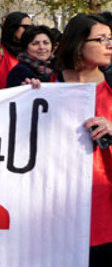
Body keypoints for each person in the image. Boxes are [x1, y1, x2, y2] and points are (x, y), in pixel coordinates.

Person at [54, 14, 112, 267]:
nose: (109, 45)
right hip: (58, 205)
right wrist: (30, 98)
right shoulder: (48, 84)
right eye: (101, 40)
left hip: (106, 203)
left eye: (111, 39)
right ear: (78, 44)